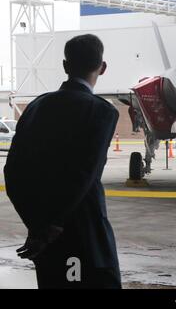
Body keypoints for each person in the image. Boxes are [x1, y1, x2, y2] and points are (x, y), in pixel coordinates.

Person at [4, 34, 121, 289]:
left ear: (66, 66)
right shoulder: (102, 111)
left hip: (45, 241)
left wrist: (37, 225)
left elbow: (12, 171)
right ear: (102, 68)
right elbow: (84, 173)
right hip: (85, 238)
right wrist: (54, 223)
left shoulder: (36, 107)